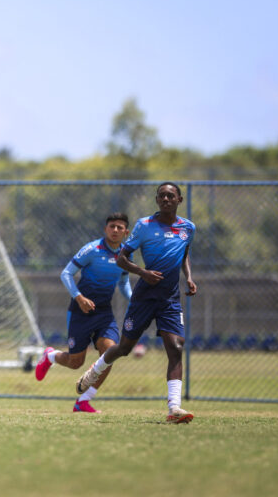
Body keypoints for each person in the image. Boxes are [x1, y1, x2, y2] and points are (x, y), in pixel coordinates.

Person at [76, 182, 197, 424]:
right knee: (124, 348)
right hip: (144, 297)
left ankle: (174, 408)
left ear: (179, 200)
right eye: (161, 195)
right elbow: (121, 258)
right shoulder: (144, 226)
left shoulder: (188, 228)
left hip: (170, 299)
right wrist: (143, 273)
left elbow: (183, 253)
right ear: (157, 200)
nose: (165, 199)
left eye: (170, 196)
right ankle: (95, 370)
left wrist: (189, 278)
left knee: (176, 347)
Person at [34, 213, 133, 413]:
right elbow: (66, 273)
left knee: (110, 354)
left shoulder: (126, 254)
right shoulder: (92, 249)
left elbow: (123, 283)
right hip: (81, 311)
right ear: (105, 229)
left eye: (119, 227)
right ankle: (51, 356)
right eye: (112, 226)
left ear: (126, 232)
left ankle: (84, 401)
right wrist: (79, 298)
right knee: (75, 362)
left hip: (104, 312)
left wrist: (135, 300)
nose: (115, 230)